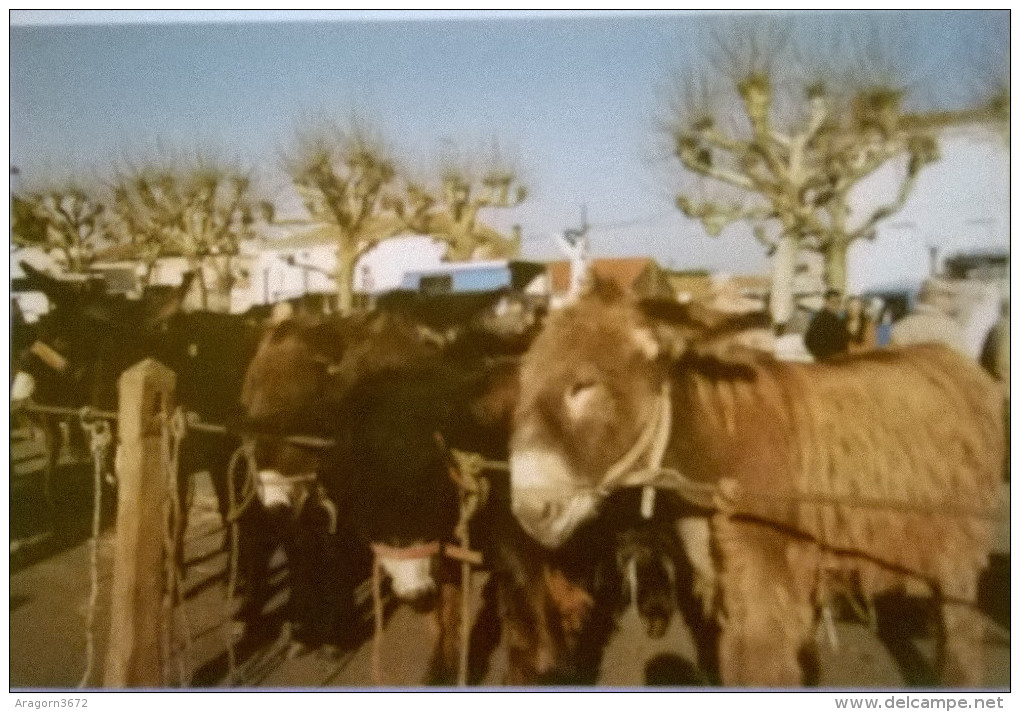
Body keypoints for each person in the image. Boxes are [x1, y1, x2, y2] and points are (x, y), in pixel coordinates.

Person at [804, 290, 850, 361]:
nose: (836, 305)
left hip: (830, 359)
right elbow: (809, 340)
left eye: (838, 302)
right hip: (829, 360)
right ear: (826, 302)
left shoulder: (834, 318)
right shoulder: (822, 319)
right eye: (833, 302)